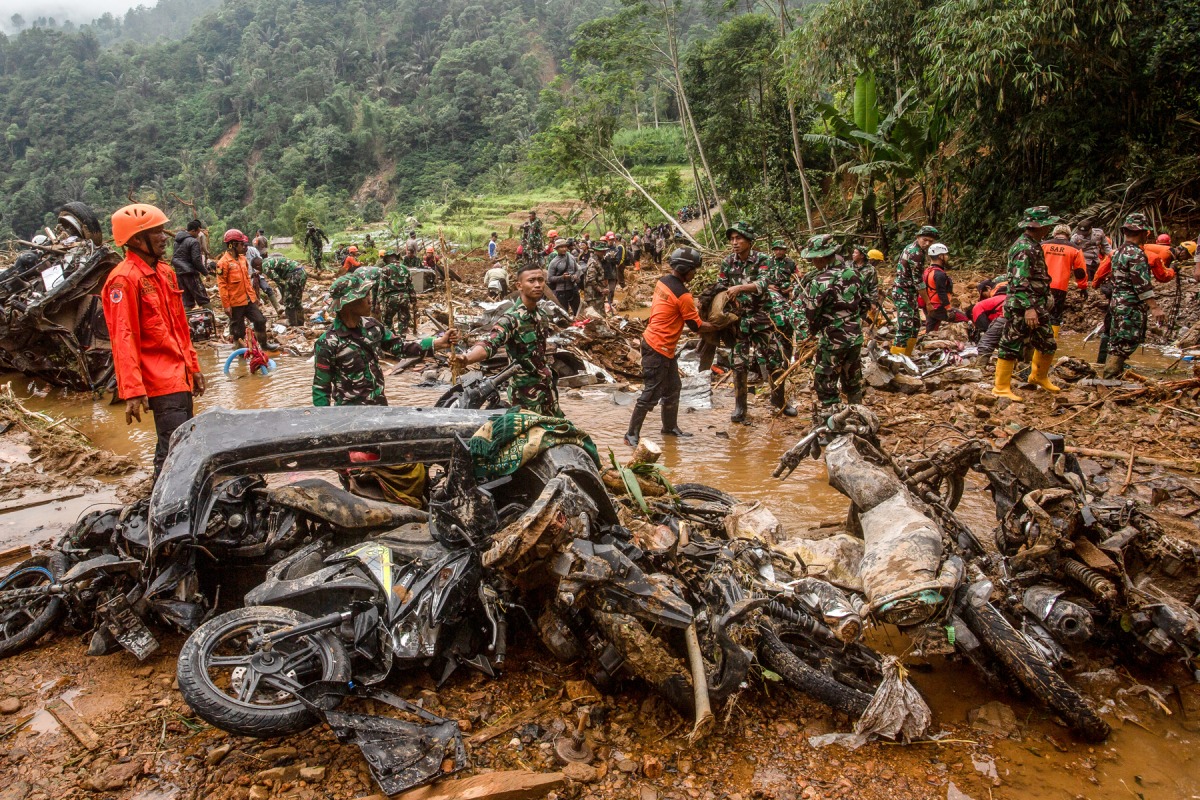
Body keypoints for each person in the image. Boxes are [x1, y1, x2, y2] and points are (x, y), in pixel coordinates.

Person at [102, 204, 204, 479]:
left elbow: (181, 328)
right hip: (159, 380)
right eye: (156, 231)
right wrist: (133, 390)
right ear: (136, 239)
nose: (164, 236)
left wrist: (193, 367)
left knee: (185, 441)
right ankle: (163, 508)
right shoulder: (123, 280)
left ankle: (183, 498)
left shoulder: (165, 272)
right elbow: (123, 337)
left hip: (178, 373)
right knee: (172, 447)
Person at [313, 272, 457, 406]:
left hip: (379, 407)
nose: (370, 300)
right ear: (349, 304)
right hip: (349, 415)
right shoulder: (327, 343)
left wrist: (437, 343)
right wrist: (325, 424)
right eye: (364, 296)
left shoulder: (373, 327)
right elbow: (321, 388)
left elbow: (400, 347)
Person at [624, 248, 714, 446]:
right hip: (658, 346)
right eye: (693, 270)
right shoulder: (683, 295)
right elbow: (696, 326)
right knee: (651, 392)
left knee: (673, 388)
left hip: (658, 343)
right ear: (684, 269)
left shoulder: (663, 282)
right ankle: (631, 434)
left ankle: (669, 427)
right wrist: (719, 324)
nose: (694, 274)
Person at [451, 262, 562, 417]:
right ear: (519, 286)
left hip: (547, 389)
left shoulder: (542, 316)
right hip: (525, 395)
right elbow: (489, 344)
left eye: (540, 280)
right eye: (531, 281)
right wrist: (466, 358)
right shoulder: (511, 319)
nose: (537, 285)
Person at [717, 221, 794, 421]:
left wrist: (740, 288)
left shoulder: (763, 259)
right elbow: (720, 286)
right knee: (739, 364)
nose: (734, 242)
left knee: (774, 360)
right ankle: (740, 407)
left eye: (739, 238)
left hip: (761, 318)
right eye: (732, 239)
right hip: (738, 321)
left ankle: (780, 402)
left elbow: (764, 282)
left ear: (750, 241)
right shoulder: (727, 262)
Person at [993, 206, 1061, 401]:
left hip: (1036, 304)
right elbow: (1018, 281)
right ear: (1039, 227)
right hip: (1022, 306)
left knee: (1047, 341)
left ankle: (1038, 376)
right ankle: (1001, 387)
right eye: (1047, 225)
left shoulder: (1033, 244)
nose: (1049, 229)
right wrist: (1029, 308)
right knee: (1011, 343)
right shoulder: (1024, 247)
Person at [801, 234, 867, 414]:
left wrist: (812, 331)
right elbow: (865, 303)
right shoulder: (855, 274)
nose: (813, 263)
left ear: (821, 257)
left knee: (826, 385)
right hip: (854, 337)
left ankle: (834, 424)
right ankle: (860, 416)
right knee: (852, 381)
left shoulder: (820, 281)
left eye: (814, 260)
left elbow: (811, 313)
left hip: (832, 340)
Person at [1101, 213, 1164, 378]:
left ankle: (1111, 375)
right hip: (1130, 304)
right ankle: (1110, 375)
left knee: (1116, 340)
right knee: (1126, 341)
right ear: (1143, 232)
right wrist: (1155, 307)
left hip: (1117, 301)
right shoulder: (1136, 254)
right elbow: (1141, 284)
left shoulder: (1118, 251)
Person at [216, 229, 268, 346]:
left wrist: (254, 298)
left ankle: (264, 346)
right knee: (238, 331)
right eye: (241, 244)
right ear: (233, 245)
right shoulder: (222, 263)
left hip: (248, 300)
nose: (244, 246)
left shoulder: (243, 259)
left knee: (260, 320)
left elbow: (247, 281)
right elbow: (222, 286)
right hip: (235, 303)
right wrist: (226, 305)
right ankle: (240, 357)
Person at [891, 225, 939, 355]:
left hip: (909, 292)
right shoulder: (916, 253)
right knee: (905, 327)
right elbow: (918, 281)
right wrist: (928, 303)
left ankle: (906, 356)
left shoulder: (914, 248)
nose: (927, 243)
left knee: (915, 325)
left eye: (930, 241)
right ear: (918, 237)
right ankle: (896, 360)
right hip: (903, 291)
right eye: (925, 240)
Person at [1041, 224, 1087, 338]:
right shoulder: (1075, 249)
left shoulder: (1043, 245)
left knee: (1038, 313)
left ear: (1054, 233)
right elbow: (1080, 271)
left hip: (1041, 285)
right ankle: (1052, 342)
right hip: (1059, 286)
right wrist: (1083, 287)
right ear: (1069, 235)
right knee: (1055, 316)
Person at [922, 243, 964, 332]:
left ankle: (925, 343)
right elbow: (941, 293)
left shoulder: (928, 271)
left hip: (929, 305)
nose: (947, 257)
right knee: (965, 319)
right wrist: (949, 309)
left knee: (931, 330)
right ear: (941, 256)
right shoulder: (939, 274)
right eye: (946, 255)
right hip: (938, 306)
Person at [171, 219, 211, 309]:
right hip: (190, 273)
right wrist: (206, 273)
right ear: (193, 231)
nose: (198, 234)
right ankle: (211, 320)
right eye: (198, 232)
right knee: (203, 298)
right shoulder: (193, 241)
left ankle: (186, 322)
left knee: (187, 301)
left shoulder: (176, 242)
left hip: (179, 273)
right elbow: (196, 260)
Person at [376, 248, 417, 335]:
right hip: (404, 298)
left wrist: (378, 302)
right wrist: (414, 301)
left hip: (391, 299)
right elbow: (411, 287)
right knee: (404, 320)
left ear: (387, 258)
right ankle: (403, 340)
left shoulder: (385, 269)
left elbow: (381, 287)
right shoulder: (406, 269)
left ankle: (392, 340)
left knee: (387, 321)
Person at [260, 254, 308, 326]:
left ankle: (293, 325)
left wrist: (285, 297)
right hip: (302, 272)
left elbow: (280, 282)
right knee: (297, 300)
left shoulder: (264, 266)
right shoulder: (268, 260)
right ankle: (301, 323)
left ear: (257, 266)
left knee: (289, 302)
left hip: (294, 275)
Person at [972, 279, 1008, 357]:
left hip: (1005, 317)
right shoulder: (1013, 292)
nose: (985, 298)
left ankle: (980, 366)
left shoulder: (995, 299)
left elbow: (977, 309)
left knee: (985, 343)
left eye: (984, 295)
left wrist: (987, 330)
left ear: (988, 288)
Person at [547, 238, 581, 314]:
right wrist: (562, 278)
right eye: (561, 247)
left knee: (578, 311)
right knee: (564, 312)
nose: (564, 249)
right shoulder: (554, 262)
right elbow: (549, 278)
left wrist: (575, 276)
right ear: (557, 249)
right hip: (561, 291)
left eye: (565, 247)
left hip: (573, 288)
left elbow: (578, 269)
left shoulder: (571, 257)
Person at [582, 241, 609, 313]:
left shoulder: (600, 260)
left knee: (601, 314)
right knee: (595, 316)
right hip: (593, 295)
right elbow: (591, 279)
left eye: (604, 251)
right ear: (596, 251)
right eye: (601, 251)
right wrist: (601, 290)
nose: (604, 253)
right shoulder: (593, 262)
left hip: (598, 294)